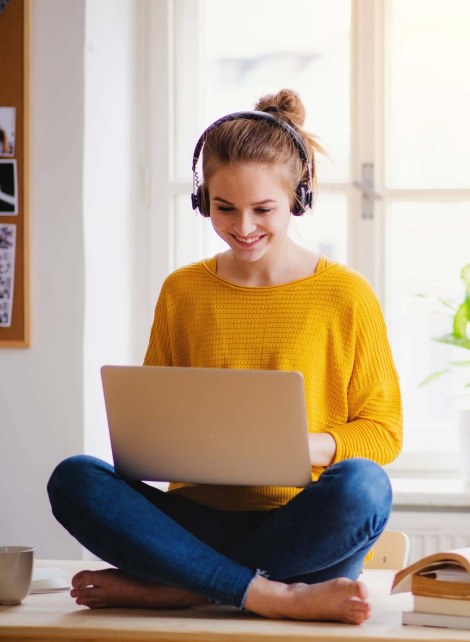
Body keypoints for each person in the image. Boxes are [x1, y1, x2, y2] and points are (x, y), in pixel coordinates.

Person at [47, 88, 402, 624]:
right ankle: (265, 592)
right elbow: (153, 421)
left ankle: (183, 588)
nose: (243, 227)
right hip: (196, 523)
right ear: (202, 199)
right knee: (73, 479)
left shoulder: (344, 295)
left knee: (364, 487)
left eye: (264, 209)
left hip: (302, 527)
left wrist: (302, 445)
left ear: (298, 199)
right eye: (224, 208)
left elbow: (384, 431)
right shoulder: (183, 291)